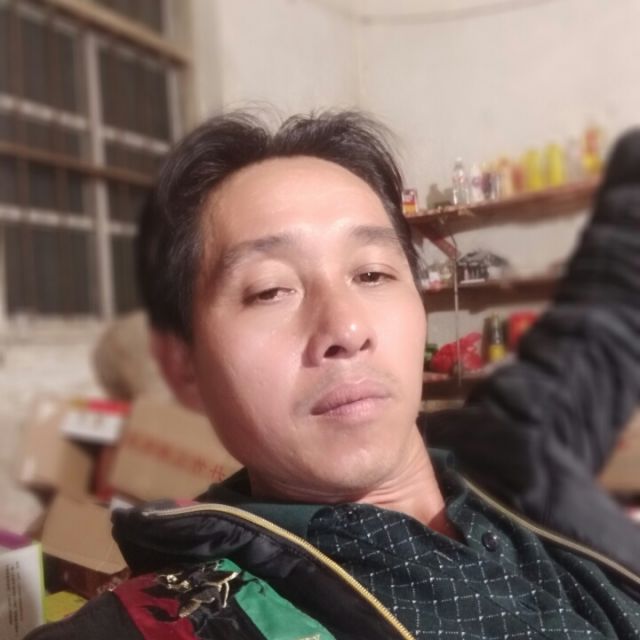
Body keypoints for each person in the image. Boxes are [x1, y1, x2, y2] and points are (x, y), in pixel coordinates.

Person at [26, 111, 640, 640]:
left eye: (372, 274)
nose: (346, 328)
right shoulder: (183, 619)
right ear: (187, 366)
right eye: (270, 290)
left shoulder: (522, 472)